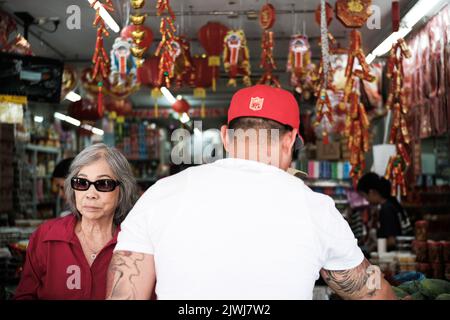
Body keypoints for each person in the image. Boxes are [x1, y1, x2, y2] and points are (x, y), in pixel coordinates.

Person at [106, 84, 396, 300]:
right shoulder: (315, 207)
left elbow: (125, 294)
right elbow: (371, 293)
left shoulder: (160, 194)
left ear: (225, 136)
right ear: (291, 139)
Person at [14, 143, 138, 299]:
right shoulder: (46, 237)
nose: (90, 194)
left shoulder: (135, 244)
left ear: (122, 190)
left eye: (104, 184)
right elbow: (24, 295)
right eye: (81, 183)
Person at [357, 172, 413, 251]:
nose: (366, 200)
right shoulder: (392, 204)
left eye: (364, 196)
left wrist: (374, 246)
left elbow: (392, 241)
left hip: (397, 253)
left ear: (372, 192)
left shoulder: (386, 209)